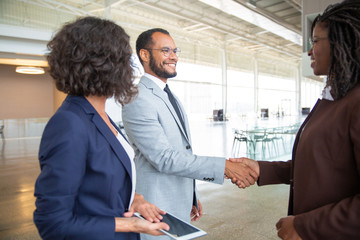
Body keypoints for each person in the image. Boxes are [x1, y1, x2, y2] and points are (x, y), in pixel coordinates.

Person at [33, 17, 170, 240]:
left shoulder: (99, 114)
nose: (130, 66)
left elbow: (97, 183)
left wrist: (135, 199)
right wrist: (130, 225)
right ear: (107, 65)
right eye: (125, 59)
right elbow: (53, 223)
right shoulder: (69, 124)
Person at [232, 1, 360, 239]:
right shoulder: (333, 98)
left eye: (315, 41)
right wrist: (264, 169)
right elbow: (323, 163)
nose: (309, 51)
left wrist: (307, 226)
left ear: (342, 42)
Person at [121, 28, 258, 239]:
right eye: (165, 50)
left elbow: (181, 150)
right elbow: (164, 158)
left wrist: (190, 196)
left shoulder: (168, 95)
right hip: (155, 207)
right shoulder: (139, 98)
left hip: (176, 201)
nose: (174, 56)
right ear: (145, 54)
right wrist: (225, 167)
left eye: (175, 50)